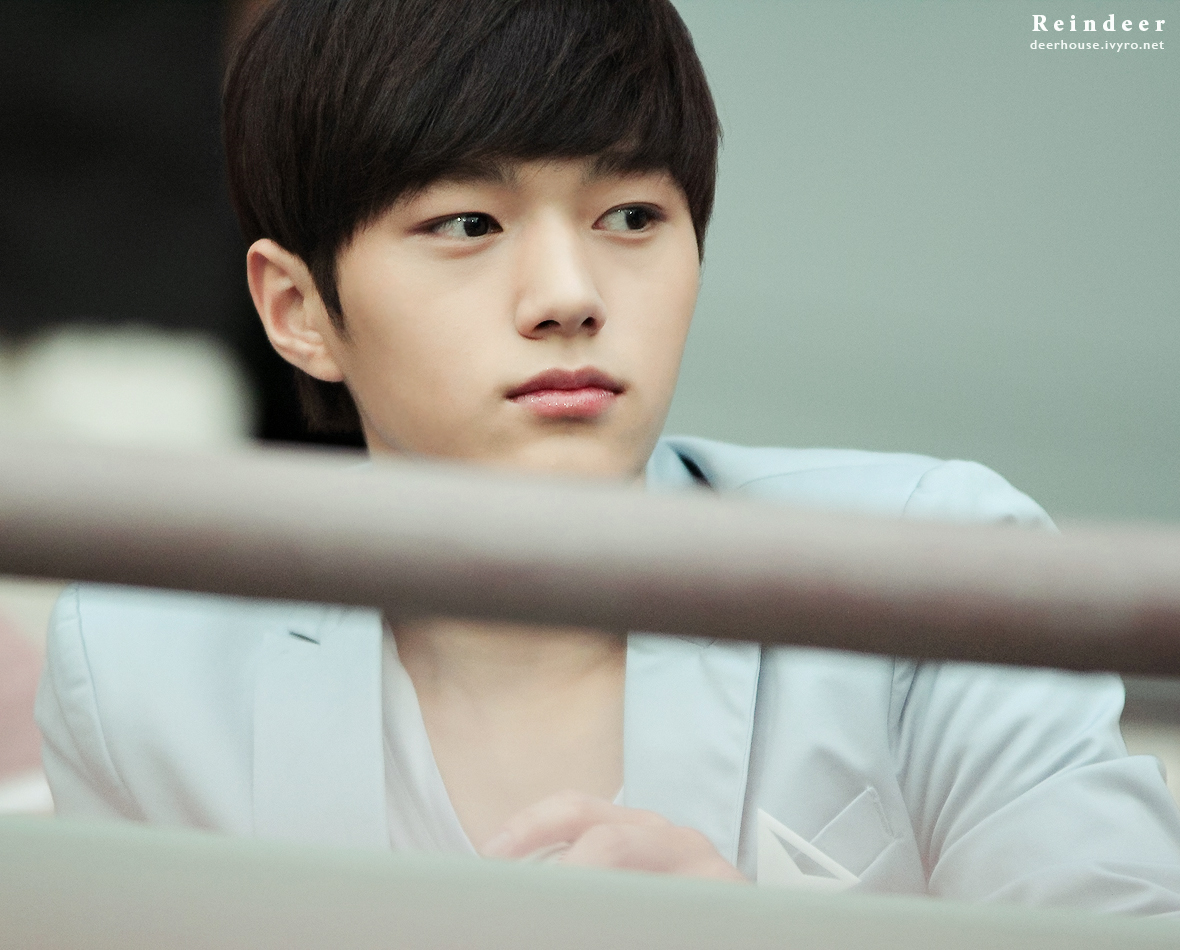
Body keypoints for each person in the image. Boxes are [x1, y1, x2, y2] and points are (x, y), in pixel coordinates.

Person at [35, 0, 1180, 912]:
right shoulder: (143, 667)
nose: (569, 295)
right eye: (468, 224)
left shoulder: (938, 572)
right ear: (298, 309)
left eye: (631, 215)